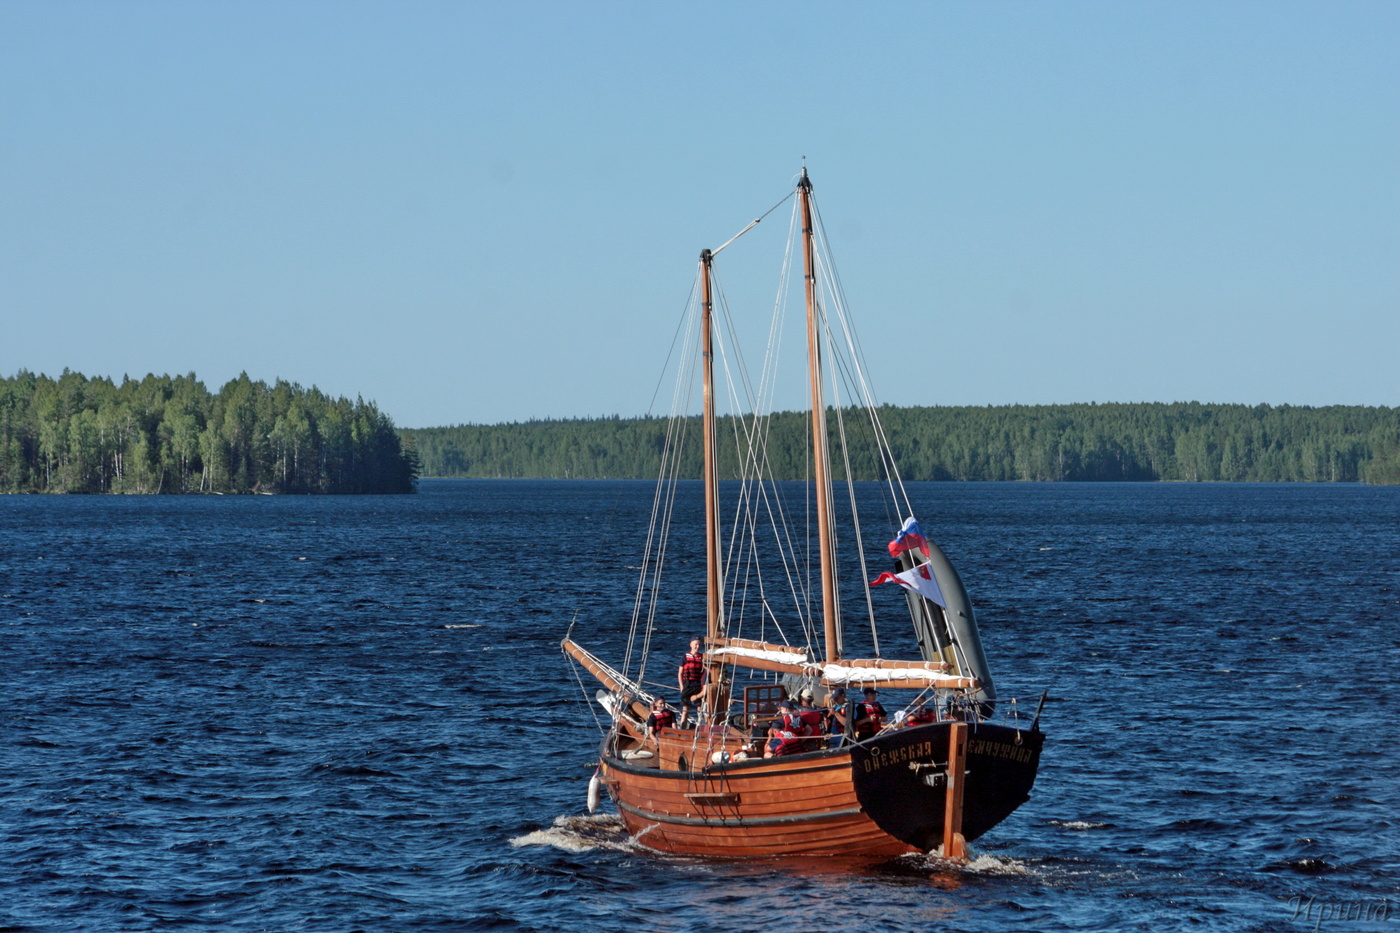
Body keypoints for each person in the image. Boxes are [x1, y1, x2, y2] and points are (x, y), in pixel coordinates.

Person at [677, 637, 705, 728]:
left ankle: (701, 730)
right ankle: (682, 729)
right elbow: (680, 673)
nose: (698, 646)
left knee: (700, 710)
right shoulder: (685, 657)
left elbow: (707, 669)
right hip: (687, 685)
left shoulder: (702, 657)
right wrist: (681, 687)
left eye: (699, 645)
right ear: (691, 645)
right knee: (685, 711)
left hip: (697, 685)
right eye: (696, 644)